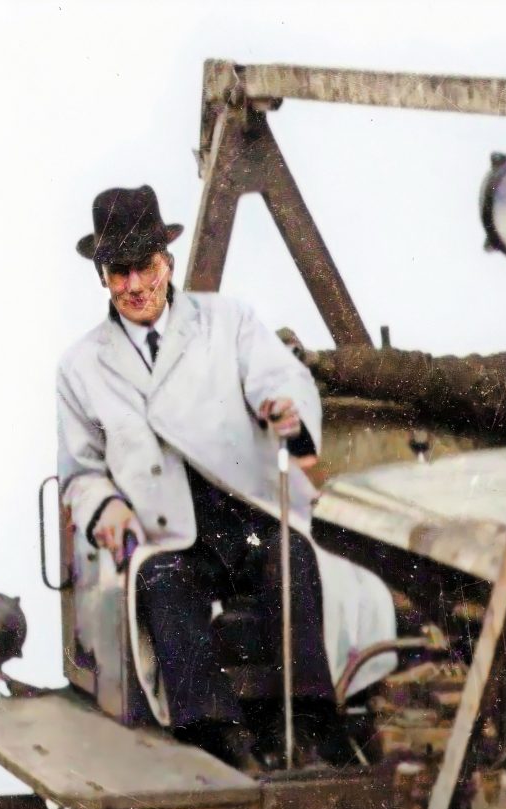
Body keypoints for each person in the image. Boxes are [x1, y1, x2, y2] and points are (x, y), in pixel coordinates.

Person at [56, 184, 336, 767]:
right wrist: (110, 513)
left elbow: (274, 375)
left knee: (291, 556)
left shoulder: (226, 321)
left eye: (144, 268)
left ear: (168, 262)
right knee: (161, 582)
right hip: (164, 530)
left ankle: (309, 726)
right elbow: (80, 473)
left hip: (242, 512)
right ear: (102, 278)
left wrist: (282, 407)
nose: (134, 287)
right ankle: (220, 740)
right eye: (117, 272)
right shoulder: (81, 367)